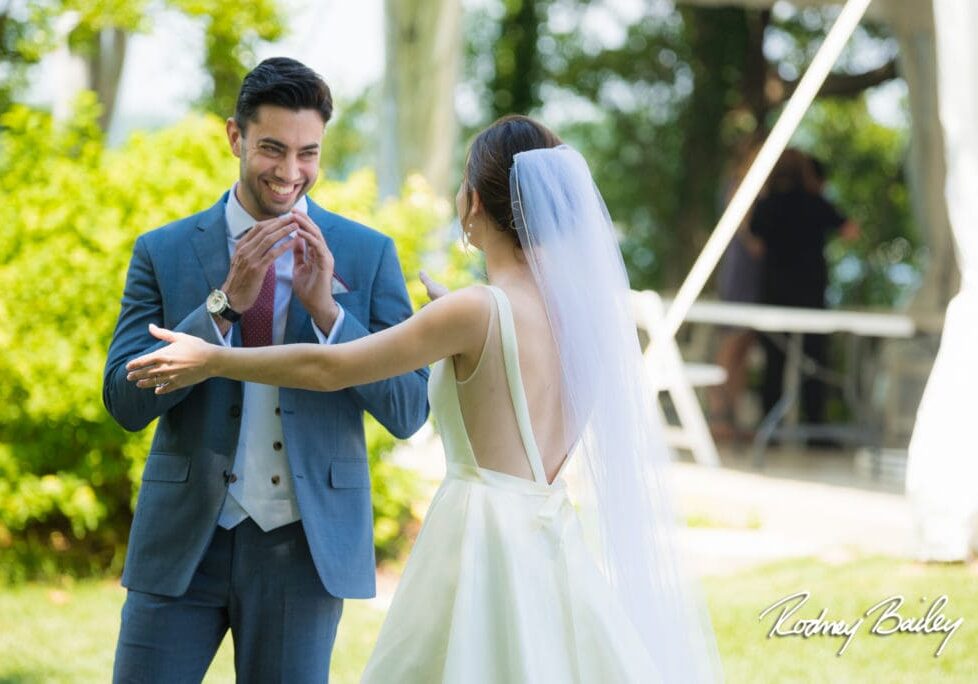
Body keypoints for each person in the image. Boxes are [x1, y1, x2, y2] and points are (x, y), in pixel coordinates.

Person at [125, 115, 723, 682]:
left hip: (478, 540)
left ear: (475, 203)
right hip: (548, 537)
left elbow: (329, 366)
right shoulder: (582, 320)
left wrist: (214, 358)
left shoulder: (474, 308)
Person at [103, 57, 429, 683]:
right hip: (183, 542)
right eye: (272, 149)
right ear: (235, 137)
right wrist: (222, 307)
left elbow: (409, 410)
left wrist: (330, 313)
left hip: (303, 550)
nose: (289, 172)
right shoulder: (164, 251)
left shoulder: (367, 252)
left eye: (308, 153)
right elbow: (124, 400)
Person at [749, 148, 859, 427]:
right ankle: (815, 429)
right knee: (814, 363)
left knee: (774, 363)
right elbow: (850, 231)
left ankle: (768, 428)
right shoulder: (816, 202)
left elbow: (756, 245)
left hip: (774, 293)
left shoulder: (766, 204)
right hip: (810, 293)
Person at [710, 141, 766, 441]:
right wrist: (753, 241)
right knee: (730, 343)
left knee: (743, 346)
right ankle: (719, 414)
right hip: (740, 267)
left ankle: (733, 415)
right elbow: (740, 223)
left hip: (753, 271)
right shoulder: (739, 182)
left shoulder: (762, 185)